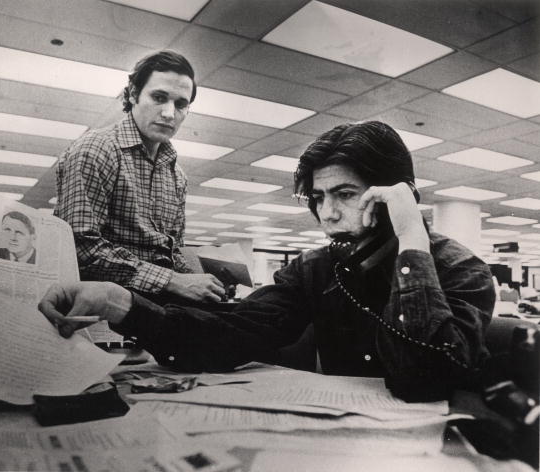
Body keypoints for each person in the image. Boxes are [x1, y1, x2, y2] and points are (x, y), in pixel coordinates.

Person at [40, 121, 495, 400]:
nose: (327, 214)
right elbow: (228, 336)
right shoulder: (315, 270)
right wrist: (118, 302)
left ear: (396, 195)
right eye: (318, 198)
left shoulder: (462, 270)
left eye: (345, 194)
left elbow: (422, 380)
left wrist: (411, 236)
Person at [55, 50, 224, 303]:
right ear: (133, 94)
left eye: (180, 104)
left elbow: (173, 252)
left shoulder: (177, 175)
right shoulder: (97, 149)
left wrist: (203, 282)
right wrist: (172, 281)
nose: (169, 113)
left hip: (156, 307)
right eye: (159, 97)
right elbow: (81, 250)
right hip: (104, 308)